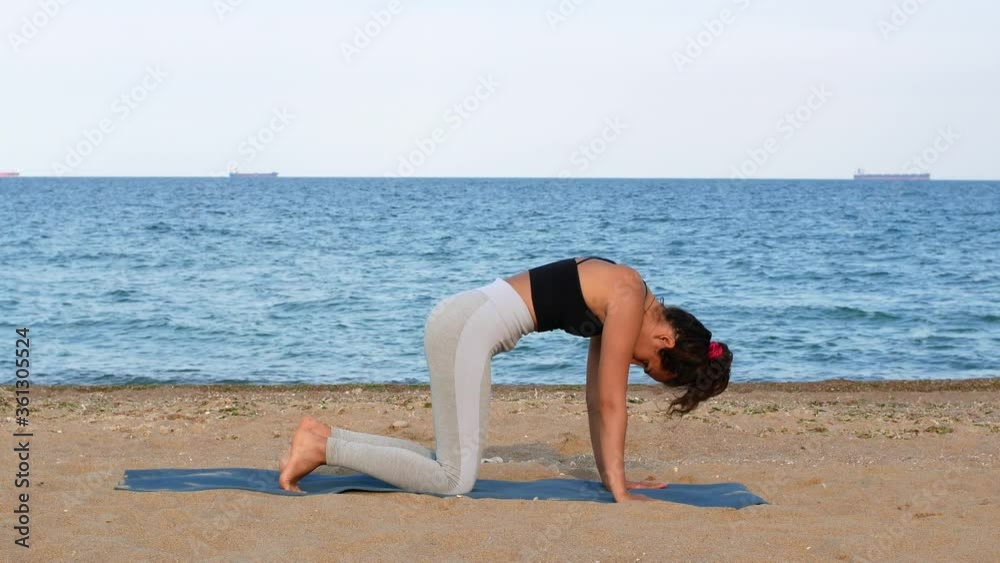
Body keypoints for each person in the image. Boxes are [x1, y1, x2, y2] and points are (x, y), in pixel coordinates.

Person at [278, 256, 733, 502]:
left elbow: (597, 399)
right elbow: (615, 402)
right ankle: (323, 449)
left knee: (448, 463)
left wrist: (613, 477)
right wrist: (618, 489)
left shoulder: (625, 295)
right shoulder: (629, 294)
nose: (636, 366)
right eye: (647, 363)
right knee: (453, 480)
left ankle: (323, 436)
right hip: (465, 328)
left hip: (465, 324)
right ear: (664, 338)